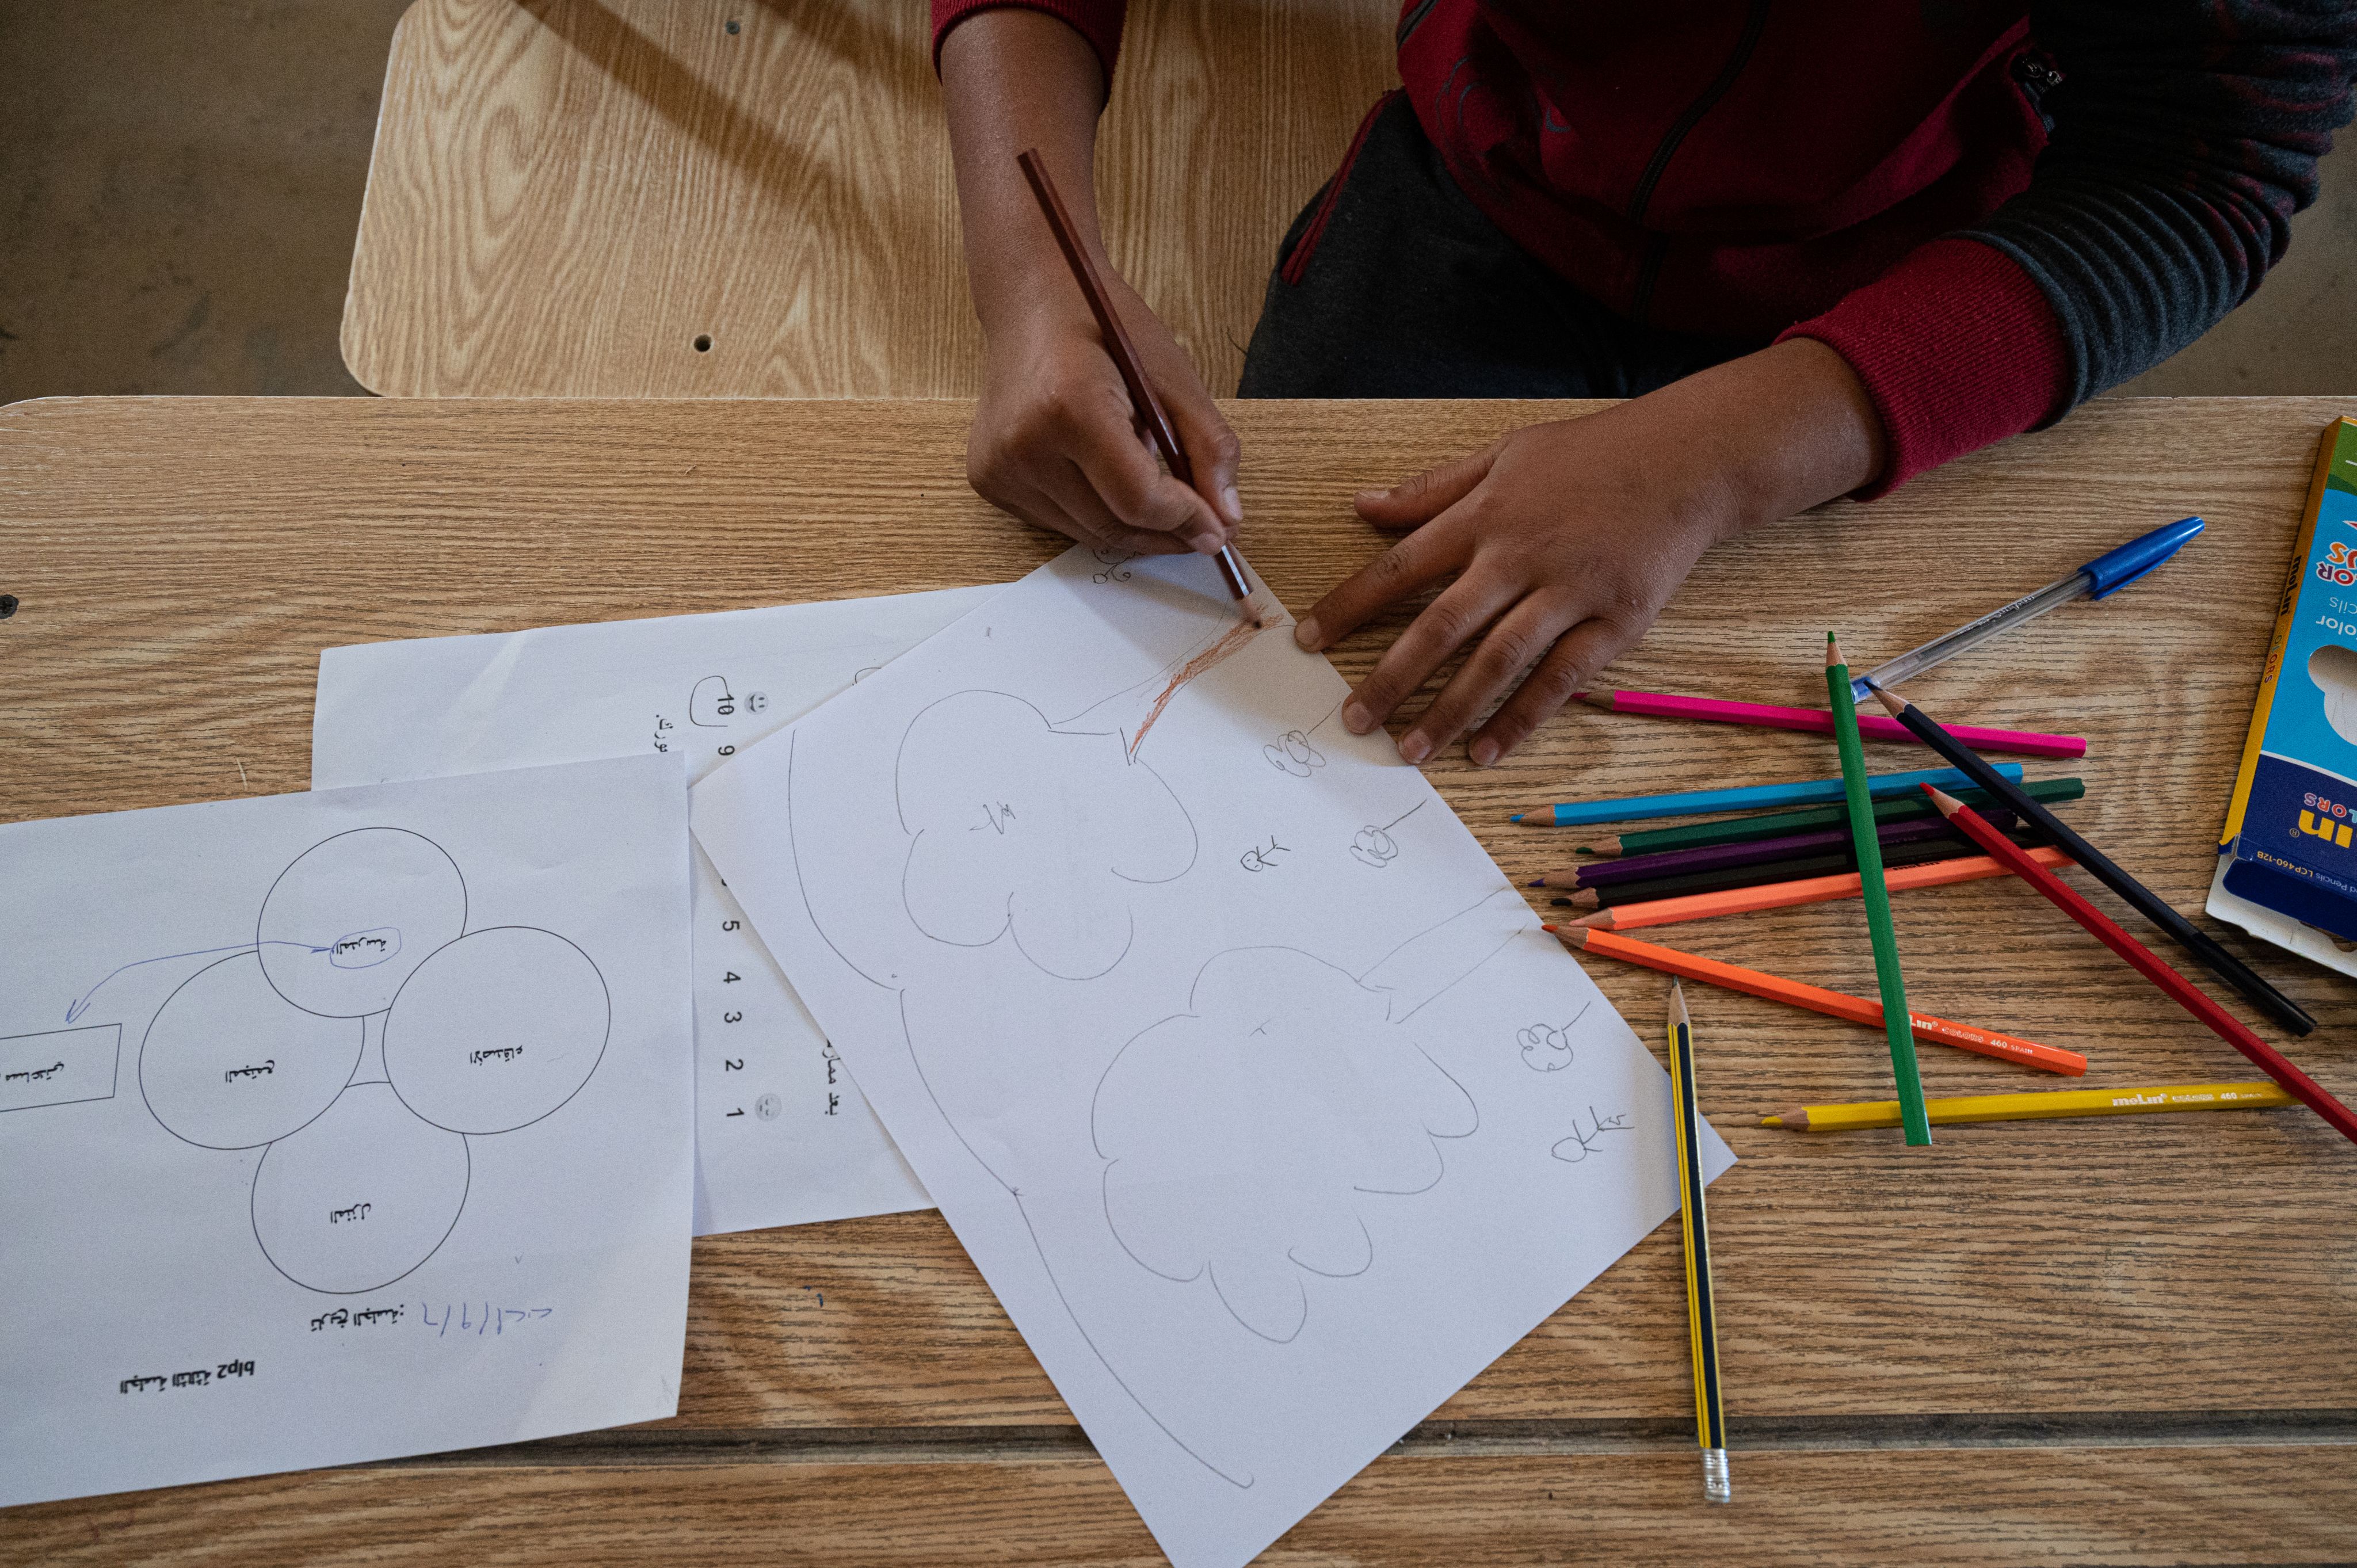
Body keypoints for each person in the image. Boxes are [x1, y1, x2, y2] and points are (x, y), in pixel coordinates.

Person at [933, 1, 2355, 765]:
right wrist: (1031, 270)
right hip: (1479, 177)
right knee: (1312, 606)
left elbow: (2201, 172)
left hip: (1903, 302)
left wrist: (1720, 456)